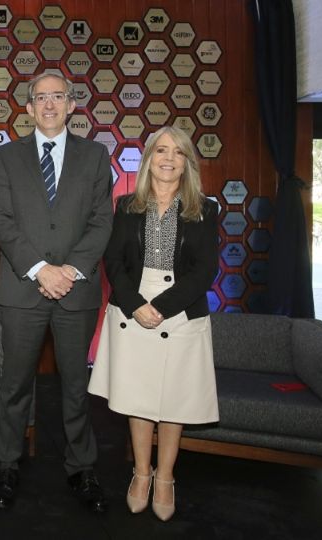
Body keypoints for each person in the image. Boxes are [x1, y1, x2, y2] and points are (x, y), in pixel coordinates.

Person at [0, 72, 114, 512]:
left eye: (57, 96)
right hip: (23, 289)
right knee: (15, 385)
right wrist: (41, 269)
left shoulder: (96, 157)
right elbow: (1, 219)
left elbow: (102, 221)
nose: (49, 105)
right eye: (40, 98)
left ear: (72, 104)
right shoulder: (6, 157)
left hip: (76, 292)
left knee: (76, 386)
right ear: (27, 107)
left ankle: (81, 468)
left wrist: (71, 270)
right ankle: (6, 465)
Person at [88, 126, 220, 521]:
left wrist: (160, 306)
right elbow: (114, 262)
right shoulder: (127, 204)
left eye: (177, 152)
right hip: (131, 310)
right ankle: (141, 473)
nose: (168, 158)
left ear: (187, 163)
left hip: (181, 311)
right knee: (139, 397)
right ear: (147, 159)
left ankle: (165, 478)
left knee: (174, 399)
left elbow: (206, 270)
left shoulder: (206, 208)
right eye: (160, 150)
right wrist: (134, 304)